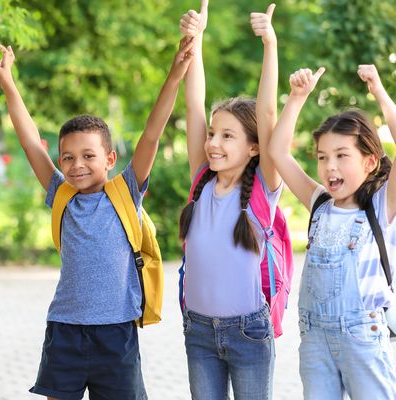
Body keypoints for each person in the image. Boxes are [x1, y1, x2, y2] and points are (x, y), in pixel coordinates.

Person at [0, 32, 194, 399]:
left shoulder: (126, 191)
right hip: (65, 330)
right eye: (67, 157)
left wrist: (175, 75)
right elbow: (30, 141)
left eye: (88, 155)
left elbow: (151, 133)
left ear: (110, 160)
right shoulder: (61, 194)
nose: (76, 164)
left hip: (116, 334)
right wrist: (8, 83)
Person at [269, 63, 396, 399]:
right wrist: (297, 98)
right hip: (315, 342)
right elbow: (277, 152)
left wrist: (380, 93)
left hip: (362, 341)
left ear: (369, 162)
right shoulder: (320, 203)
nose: (330, 167)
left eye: (342, 155)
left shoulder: (382, 206)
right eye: (323, 157)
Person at [178, 1, 282, 399]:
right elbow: (193, 106)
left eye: (227, 136)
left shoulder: (262, 191)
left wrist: (269, 44)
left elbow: (269, 112)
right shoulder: (201, 180)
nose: (213, 143)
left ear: (255, 147)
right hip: (199, 330)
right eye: (212, 133)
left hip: (249, 332)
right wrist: (196, 40)